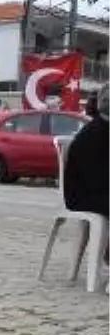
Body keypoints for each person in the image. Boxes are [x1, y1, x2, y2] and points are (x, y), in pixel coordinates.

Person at [64, 83, 110, 266]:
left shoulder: (101, 127)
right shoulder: (96, 134)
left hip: (95, 190)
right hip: (83, 195)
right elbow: (97, 177)